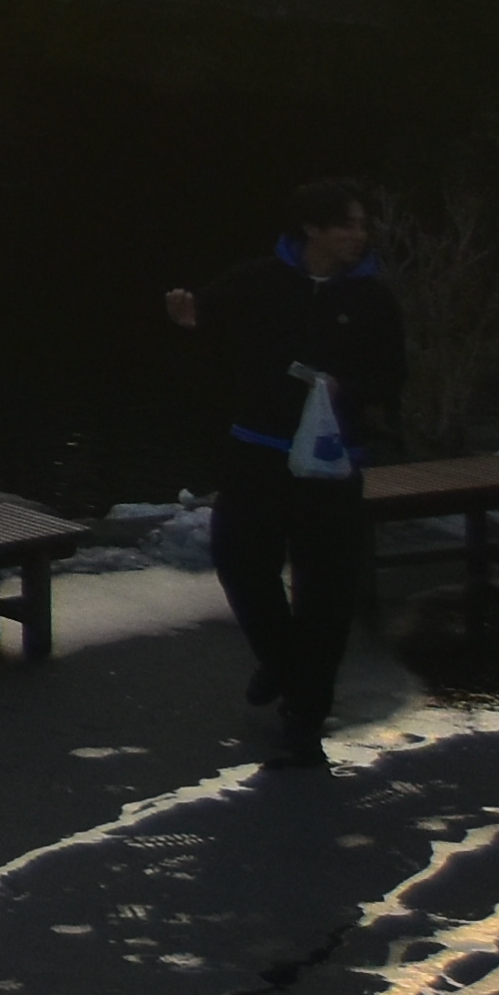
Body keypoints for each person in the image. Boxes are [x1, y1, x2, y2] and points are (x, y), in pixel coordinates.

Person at [173, 175, 410, 768]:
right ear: (312, 229)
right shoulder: (260, 279)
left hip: (333, 465)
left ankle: (305, 718)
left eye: (361, 224)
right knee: (240, 561)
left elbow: (391, 380)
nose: (359, 235)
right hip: (257, 451)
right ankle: (281, 661)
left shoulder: (372, 300)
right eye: (347, 223)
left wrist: (344, 391)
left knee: (326, 592)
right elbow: (204, 311)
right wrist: (186, 311)